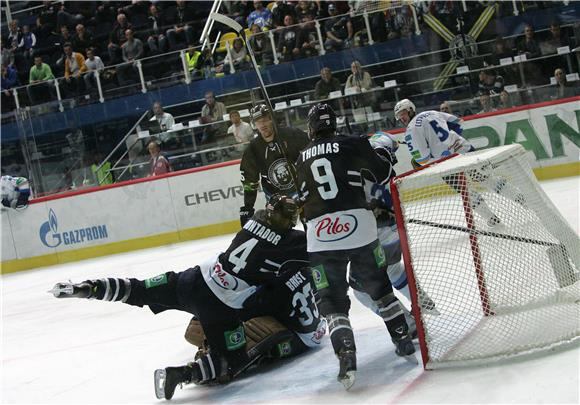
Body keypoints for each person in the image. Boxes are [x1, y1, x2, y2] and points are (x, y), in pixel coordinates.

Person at [50, 195, 325, 400]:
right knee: (233, 360)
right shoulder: (293, 242)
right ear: (290, 220)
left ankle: (88, 288)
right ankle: (182, 374)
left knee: (140, 289)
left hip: (195, 278)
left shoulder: (252, 222)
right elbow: (318, 250)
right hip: (220, 304)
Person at [295, 103, 415, 390]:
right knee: (380, 287)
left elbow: (299, 199)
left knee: (332, 302)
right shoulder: (354, 143)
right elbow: (383, 173)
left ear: (311, 129)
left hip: (321, 235)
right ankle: (403, 340)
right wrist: (385, 151)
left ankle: (346, 356)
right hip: (359, 227)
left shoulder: (300, 158)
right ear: (335, 124)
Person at [394, 98, 502, 226]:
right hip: (463, 149)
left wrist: (423, 158)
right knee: (487, 179)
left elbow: (423, 160)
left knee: (465, 191)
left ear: (411, 110)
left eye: (403, 114)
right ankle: (523, 200)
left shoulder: (411, 131)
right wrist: (448, 142)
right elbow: (457, 122)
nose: (402, 118)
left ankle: (492, 220)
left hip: (445, 164)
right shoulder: (432, 112)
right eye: (399, 116)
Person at [239, 104, 309, 226]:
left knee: (311, 224)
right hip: (275, 198)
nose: (262, 125)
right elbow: (249, 183)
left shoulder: (292, 135)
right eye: (258, 122)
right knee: (279, 232)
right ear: (254, 124)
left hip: (301, 190)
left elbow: (311, 155)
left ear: (272, 119)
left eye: (265, 120)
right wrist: (247, 207)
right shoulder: (253, 149)